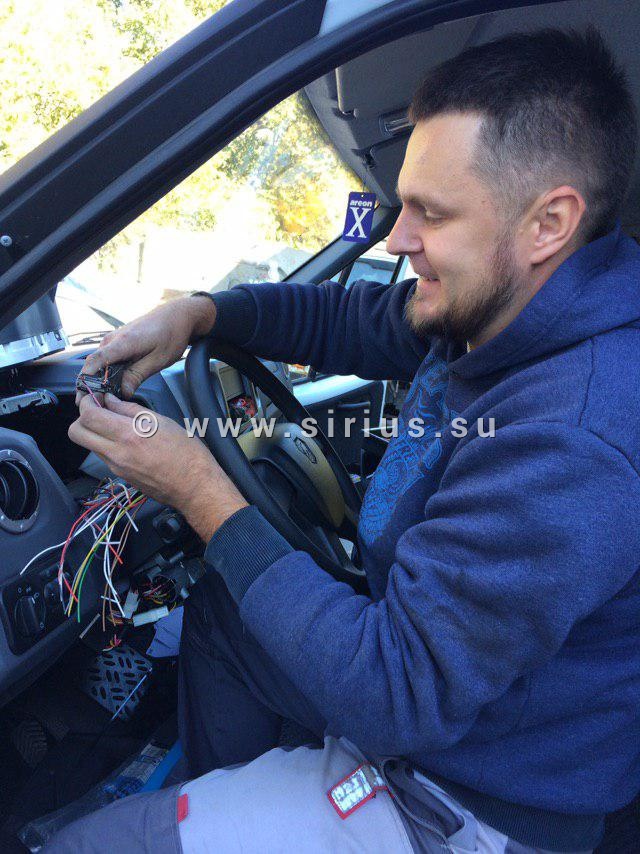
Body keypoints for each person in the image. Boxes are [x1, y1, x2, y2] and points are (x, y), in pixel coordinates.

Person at [47, 27, 640, 854]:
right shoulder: (498, 308)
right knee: (225, 609)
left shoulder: (575, 437)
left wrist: (201, 491)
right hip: (422, 695)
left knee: (84, 846)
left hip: (467, 797)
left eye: (432, 213)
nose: (397, 239)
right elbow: (349, 318)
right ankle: (213, 806)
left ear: (550, 223)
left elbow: (394, 694)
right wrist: (200, 313)